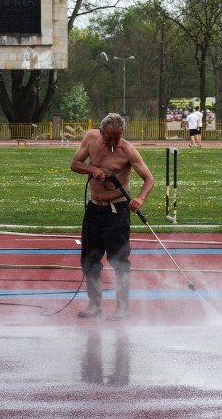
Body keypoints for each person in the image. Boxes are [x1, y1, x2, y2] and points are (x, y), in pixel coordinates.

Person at [70, 113, 155, 320]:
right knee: (90, 259)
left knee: (119, 261)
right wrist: (93, 169)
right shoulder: (90, 138)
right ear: (101, 132)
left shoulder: (127, 150)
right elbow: (74, 164)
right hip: (93, 209)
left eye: (117, 138)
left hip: (117, 211)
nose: (113, 143)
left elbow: (149, 179)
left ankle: (122, 309)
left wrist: (140, 199)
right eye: (109, 138)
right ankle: (94, 306)